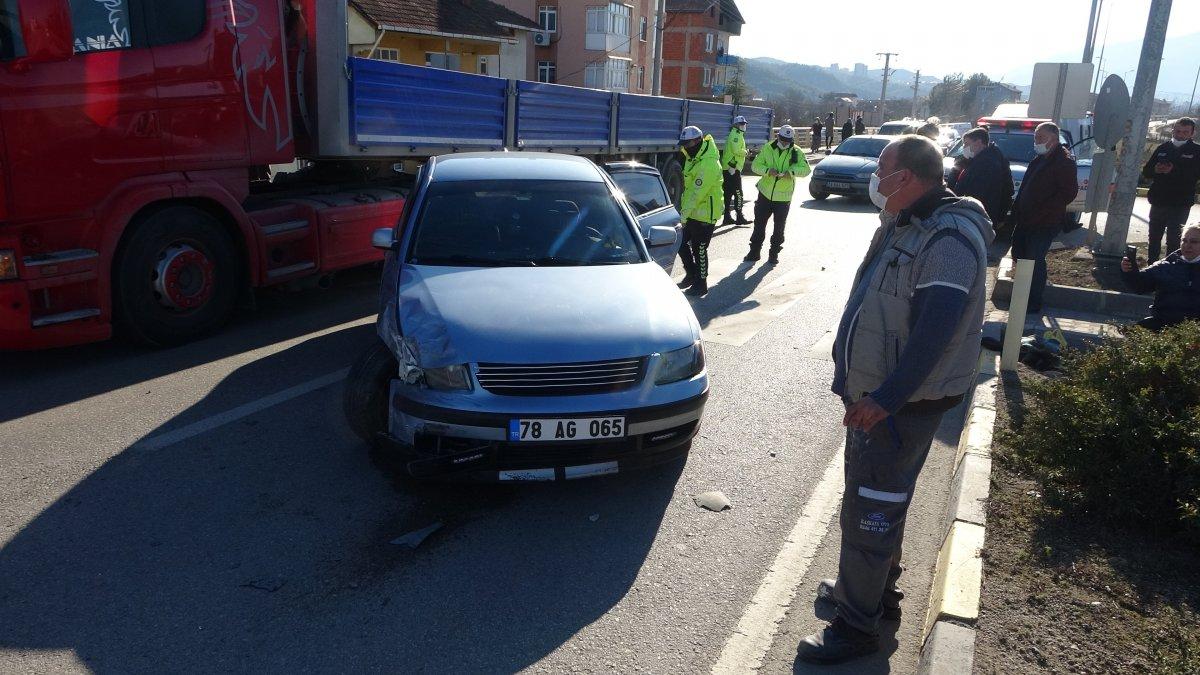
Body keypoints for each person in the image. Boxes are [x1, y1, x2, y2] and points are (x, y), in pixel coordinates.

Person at [799, 135, 993, 664]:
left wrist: (884, 399)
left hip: (899, 408)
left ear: (905, 177)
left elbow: (935, 332)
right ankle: (876, 593)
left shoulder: (947, 239)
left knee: (870, 513)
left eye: (882, 169)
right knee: (884, 501)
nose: (875, 179)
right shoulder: (909, 222)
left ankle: (856, 626)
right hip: (890, 400)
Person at [1007, 122, 1078, 314]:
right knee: (1021, 256)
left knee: (1034, 260)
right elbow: (1025, 189)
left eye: (1040, 138)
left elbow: (1068, 193)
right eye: (1035, 137)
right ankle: (1021, 296)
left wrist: (1043, 210)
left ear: (1053, 140)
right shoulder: (1038, 160)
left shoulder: (1064, 162)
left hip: (1045, 223)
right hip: (1025, 220)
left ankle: (1033, 301)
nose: (1036, 141)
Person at [745, 125, 811, 265]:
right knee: (759, 225)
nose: (785, 143)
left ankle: (774, 253)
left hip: (783, 197)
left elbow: (806, 170)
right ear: (778, 137)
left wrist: (791, 173)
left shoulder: (796, 152)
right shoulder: (768, 148)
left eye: (788, 140)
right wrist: (768, 171)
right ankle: (754, 251)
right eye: (783, 139)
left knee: (779, 227)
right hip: (765, 194)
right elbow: (755, 166)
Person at [948, 127, 1014, 261]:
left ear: (978, 143)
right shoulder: (980, 159)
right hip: (978, 216)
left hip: (976, 217)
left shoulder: (987, 164)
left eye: (966, 144)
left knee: (970, 254)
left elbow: (977, 194)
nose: (964, 148)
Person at [1141, 117, 1200, 263]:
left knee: (1175, 239)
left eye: (1185, 132)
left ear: (1192, 133)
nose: (1180, 134)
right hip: (1159, 201)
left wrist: (1173, 170)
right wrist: (1155, 169)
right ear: (1173, 130)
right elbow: (1147, 171)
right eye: (1178, 131)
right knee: (1154, 237)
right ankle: (1152, 266)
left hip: (1180, 203)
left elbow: (1195, 175)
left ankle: (1171, 268)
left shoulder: (1197, 151)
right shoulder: (1163, 148)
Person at [674, 125, 724, 297]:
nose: (686, 147)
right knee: (680, 243)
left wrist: (683, 216)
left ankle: (701, 284)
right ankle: (691, 274)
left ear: (697, 141)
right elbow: (688, 191)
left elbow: (697, 192)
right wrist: (684, 213)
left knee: (699, 248)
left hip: (706, 212)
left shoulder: (709, 162)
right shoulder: (692, 157)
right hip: (693, 210)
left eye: (688, 144)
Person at [1120, 224, 1200, 330]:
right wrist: (1129, 271)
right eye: (1184, 240)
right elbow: (1139, 286)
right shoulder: (1165, 265)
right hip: (1163, 326)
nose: (1187, 245)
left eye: (1194, 241)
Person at [721, 115, 752, 226]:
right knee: (738, 193)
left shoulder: (736, 134)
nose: (744, 126)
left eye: (744, 124)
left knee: (728, 193)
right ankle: (739, 217)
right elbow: (736, 150)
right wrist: (746, 152)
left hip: (730, 168)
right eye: (741, 124)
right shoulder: (736, 135)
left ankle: (727, 217)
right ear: (736, 125)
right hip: (732, 168)